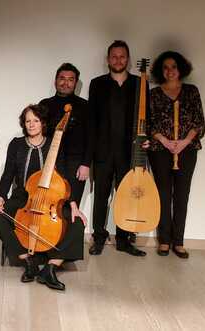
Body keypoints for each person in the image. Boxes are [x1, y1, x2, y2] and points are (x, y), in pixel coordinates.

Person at [0, 104, 87, 291]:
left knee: (77, 223)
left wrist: (74, 204)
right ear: (23, 124)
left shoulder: (54, 143)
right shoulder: (16, 144)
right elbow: (8, 174)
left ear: (43, 123)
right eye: (28, 121)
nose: (31, 124)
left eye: (35, 120)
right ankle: (27, 261)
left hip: (51, 199)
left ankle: (51, 268)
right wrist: (2, 197)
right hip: (24, 197)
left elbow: (65, 176)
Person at [88, 40, 148, 257]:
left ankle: (123, 240)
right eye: (114, 56)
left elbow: (145, 117)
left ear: (128, 60)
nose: (118, 60)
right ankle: (99, 237)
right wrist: (90, 154)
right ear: (107, 60)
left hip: (129, 153)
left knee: (126, 197)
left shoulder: (139, 84)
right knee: (101, 197)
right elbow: (92, 121)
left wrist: (145, 140)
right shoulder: (97, 84)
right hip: (102, 152)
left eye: (122, 56)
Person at [148, 51, 205, 259]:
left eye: (173, 66)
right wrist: (165, 141)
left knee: (181, 195)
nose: (169, 71)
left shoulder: (191, 91)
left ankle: (178, 242)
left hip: (186, 150)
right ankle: (164, 240)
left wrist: (182, 143)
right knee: (163, 194)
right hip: (160, 151)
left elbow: (198, 122)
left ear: (180, 68)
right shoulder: (154, 94)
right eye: (165, 67)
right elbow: (150, 123)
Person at [38, 63, 92, 207]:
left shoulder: (84, 106)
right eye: (62, 78)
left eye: (70, 79)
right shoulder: (44, 104)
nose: (65, 83)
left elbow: (91, 136)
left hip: (75, 162)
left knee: (70, 206)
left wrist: (86, 164)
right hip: (49, 160)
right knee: (47, 203)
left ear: (75, 83)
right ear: (56, 81)